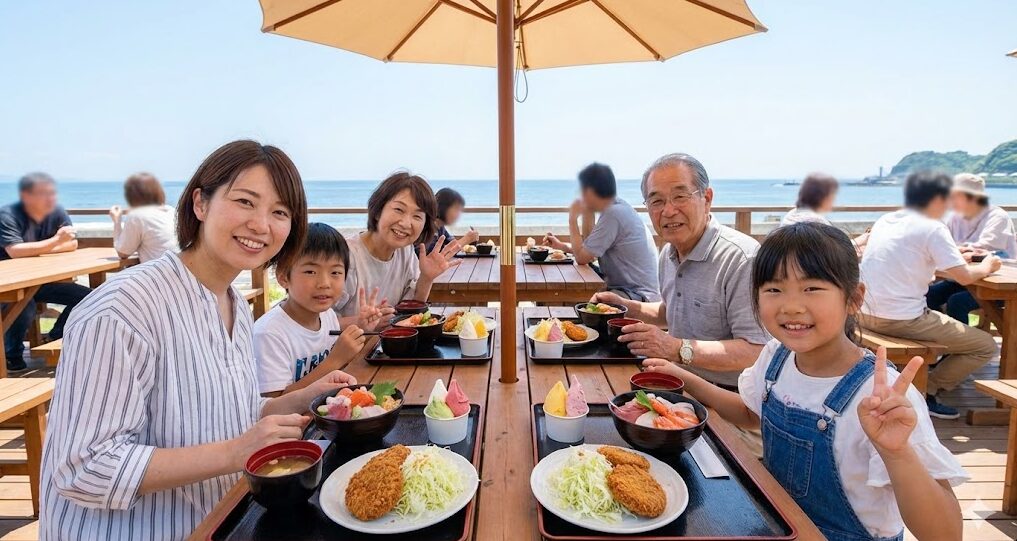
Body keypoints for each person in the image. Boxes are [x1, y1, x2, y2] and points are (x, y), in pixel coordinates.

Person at [40, 140, 358, 540]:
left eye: (280, 212)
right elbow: (84, 468)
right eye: (245, 201)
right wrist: (235, 453)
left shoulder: (235, 305)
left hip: (220, 519)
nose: (262, 224)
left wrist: (304, 395)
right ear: (200, 204)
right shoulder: (123, 309)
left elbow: (219, 412)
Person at [644, 222, 965, 541]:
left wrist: (897, 453)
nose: (791, 306)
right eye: (774, 289)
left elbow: (946, 533)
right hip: (780, 523)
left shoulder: (884, 396)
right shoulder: (776, 356)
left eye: (811, 288)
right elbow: (750, 414)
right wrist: (686, 379)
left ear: (854, 298)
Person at [590, 153, 769, 391]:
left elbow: (756, 351)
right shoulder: (670, 253)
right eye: (656, 201)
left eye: (680, 196)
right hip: (675, 381)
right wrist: (625, 306)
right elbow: (671, 311)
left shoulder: (742, 258)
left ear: (707, 198)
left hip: (730, 399)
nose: (668, 210)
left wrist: (674, 348)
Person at [860, 170, 999, 420]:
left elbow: (908, 257)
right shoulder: (933, 227)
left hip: (864, 313)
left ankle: (919, 385)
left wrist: (954, 255)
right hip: (902, 320)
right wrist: (989, 265)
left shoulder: (886, 220)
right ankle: (925, 391)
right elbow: (965, 277)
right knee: (985, 346)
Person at [255, 222, 374, 397]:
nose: (325, 283)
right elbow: (274, 404)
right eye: (310, 271)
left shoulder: (327, 315)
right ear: (282, 277)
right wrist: (336, 360)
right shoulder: (269, 334)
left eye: (335, 273)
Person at [334, 172, 460, 323]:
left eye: (417, 216)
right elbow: (315, 322)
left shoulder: (405, 251)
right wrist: (363, 322)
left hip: (384, 344)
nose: (406, 223)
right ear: (378, 211)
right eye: (399, 210)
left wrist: (426, 278)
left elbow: (410, 312)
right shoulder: (346, 256)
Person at [0, 172, 91, 371]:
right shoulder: (8, 215)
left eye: (52, 193)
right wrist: (56, 242)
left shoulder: (56, 211)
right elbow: (15, 251)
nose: (51, 199)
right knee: (25, 306)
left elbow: (72, 244)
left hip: (41, 281)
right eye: (44, 194)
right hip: (10, 284)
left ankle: (54, 337)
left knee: (89, 298)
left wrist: (40, 248)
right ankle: (11, 355)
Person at [543, 163, 661, 301]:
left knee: (576, 302)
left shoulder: (614, 214)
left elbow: (582, 258)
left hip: (638, 294)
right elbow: (589, 251)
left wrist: (572, 219)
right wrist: (562, 247)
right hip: (627, 288)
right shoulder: (616, 207)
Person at [927, 173, 1017, 323]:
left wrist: (955, 251)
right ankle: (942, 341)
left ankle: (963, 345)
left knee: (957, 302)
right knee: (927, 296)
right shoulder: (955, 218)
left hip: (1000, 285)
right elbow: (943, 244)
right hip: (964, 280)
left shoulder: (997, 217)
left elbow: (982, 250)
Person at [109, 172, 178, 262]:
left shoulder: (137, 215)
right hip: (181, 270)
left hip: (159, 272)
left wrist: (117, 221)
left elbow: (123, 252)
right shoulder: (171, 211)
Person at [427, 188, 479, 252]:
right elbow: (436, 255)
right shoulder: (427, 226)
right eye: (456, 209)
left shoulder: (440, 227)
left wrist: (470, 241)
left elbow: (451, 244)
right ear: (443, 207)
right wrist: (466, 239)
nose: (458, 215)